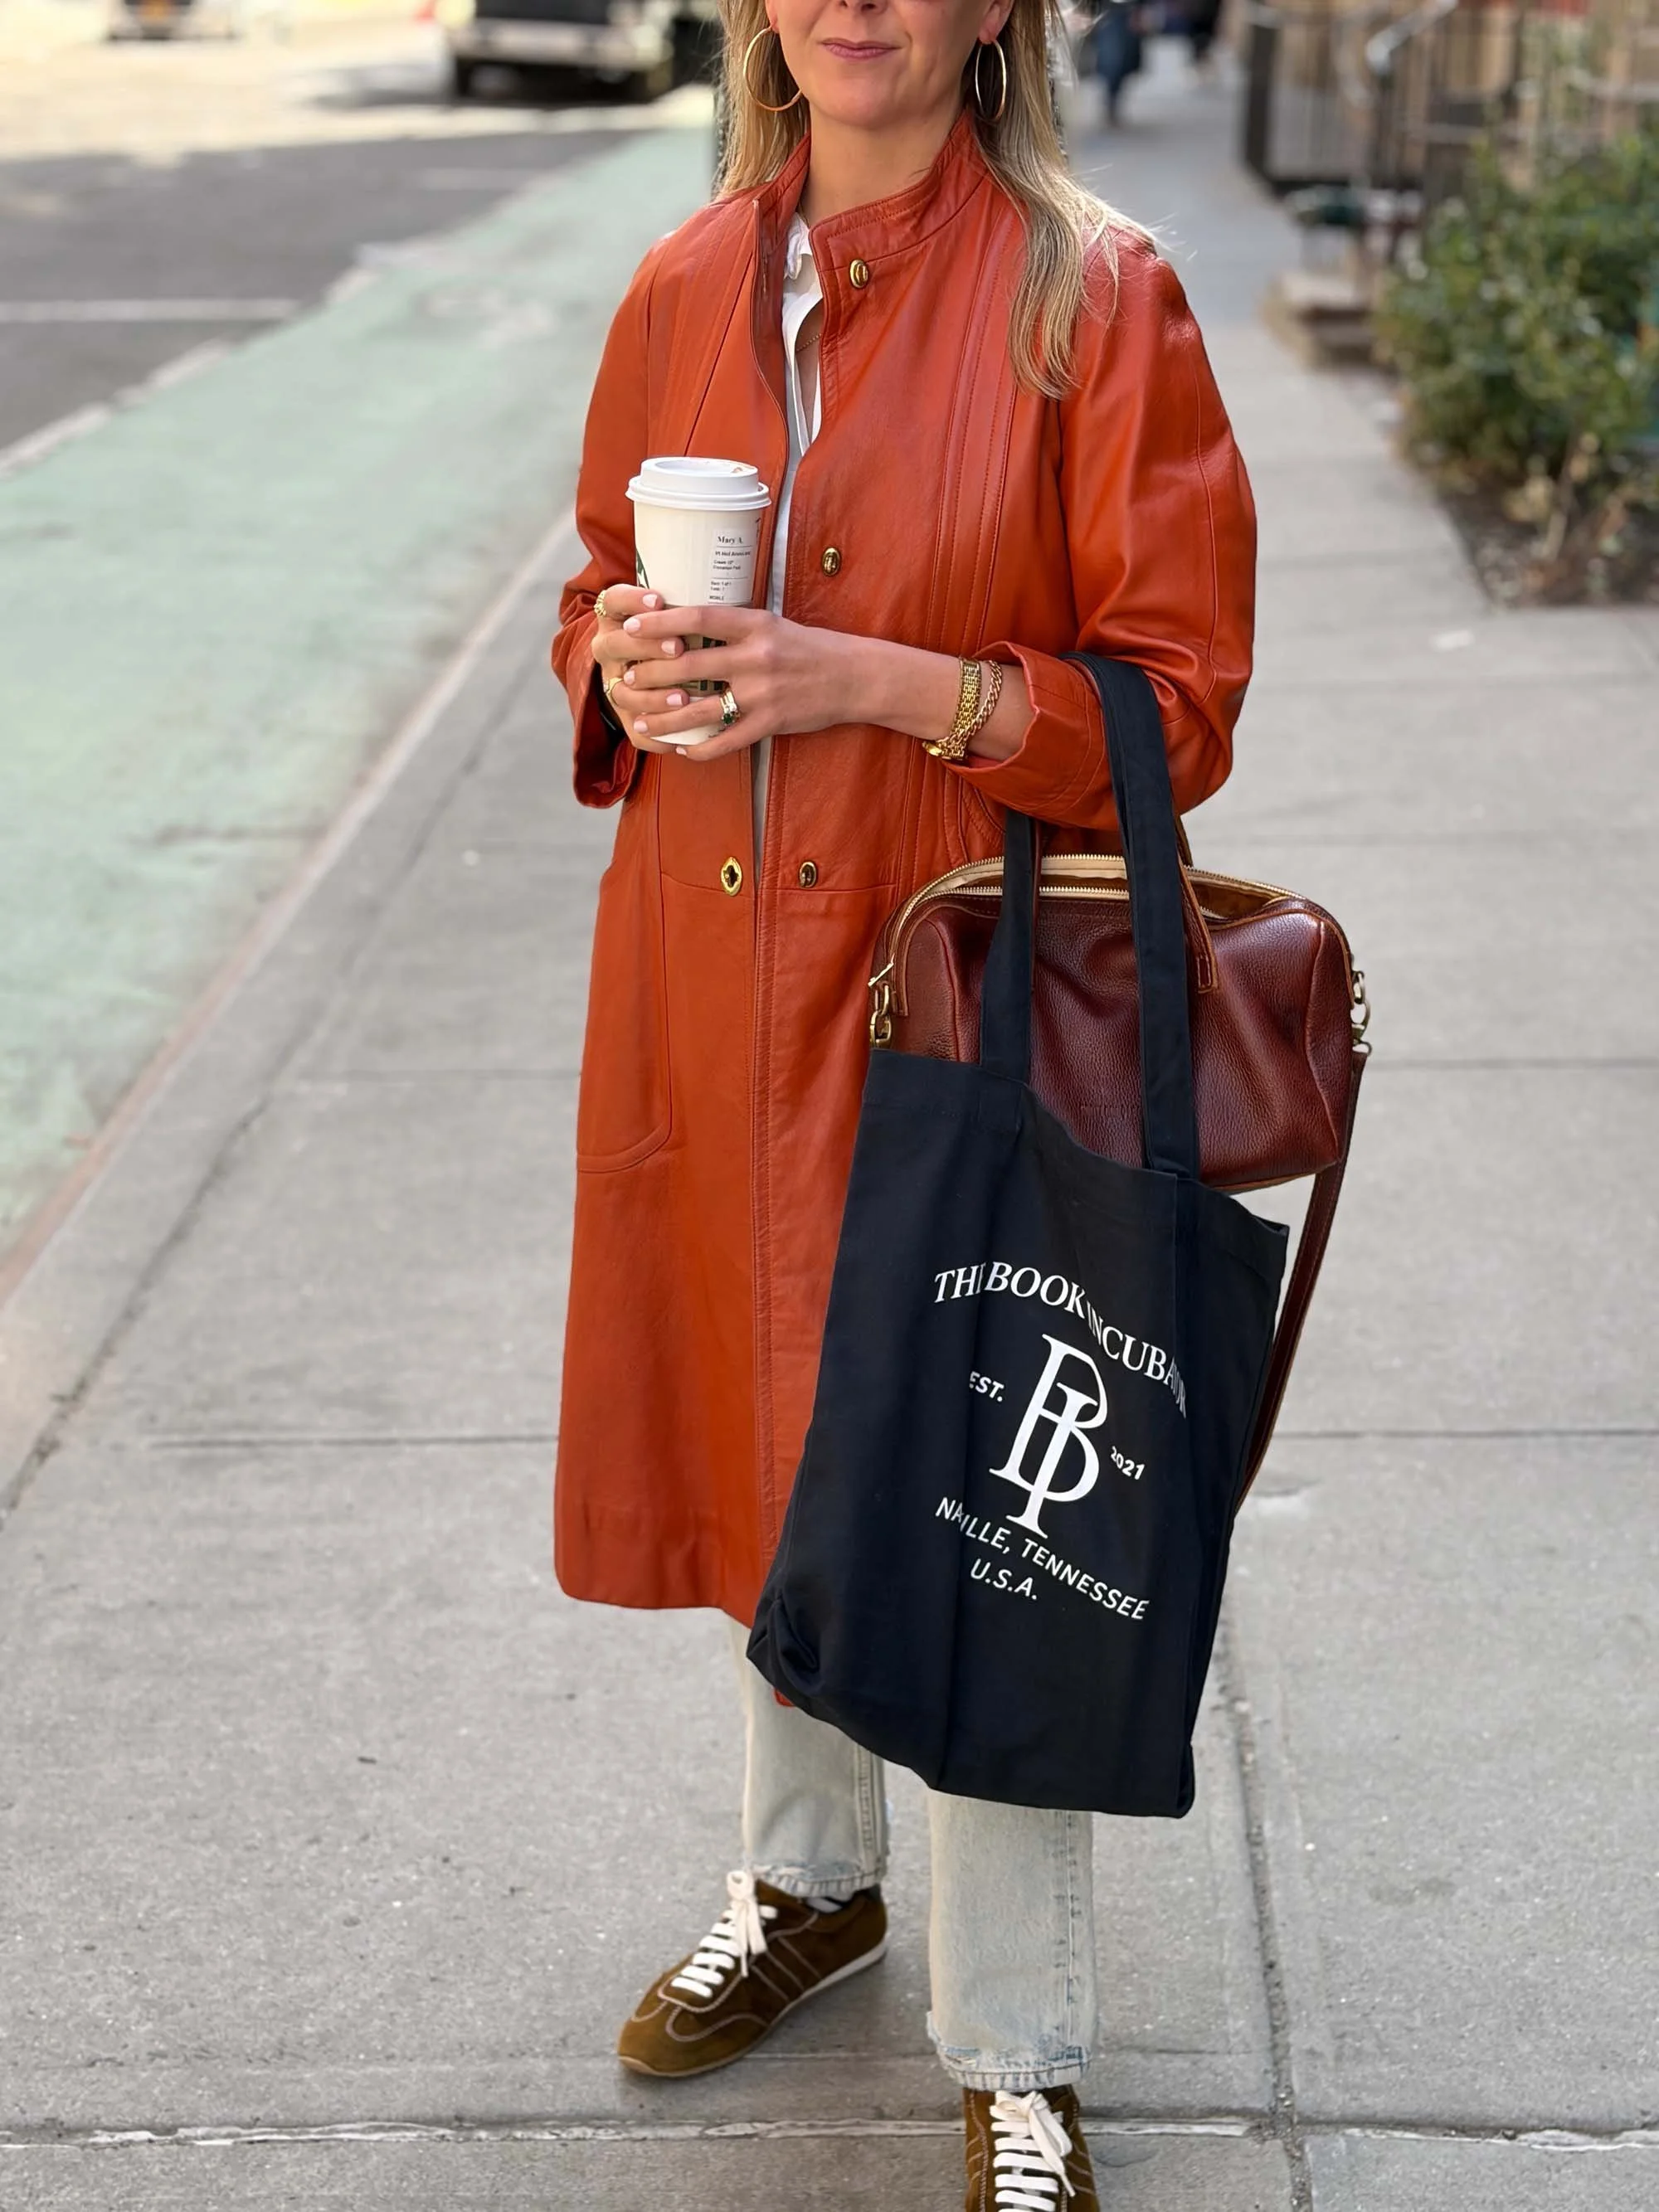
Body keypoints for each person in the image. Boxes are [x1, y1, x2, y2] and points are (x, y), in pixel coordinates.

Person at [549, 0, 1254, 2200]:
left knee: (991, 1491)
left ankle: (1019, 2040)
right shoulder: (681, 282)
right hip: (706, 975)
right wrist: (622, 660)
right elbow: (595, 576)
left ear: (993, 15)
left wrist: (886, 681)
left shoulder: (1095, 290)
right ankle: (805, 1889)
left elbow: (1181, 699)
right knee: (776, 1443)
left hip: (964, 1001)